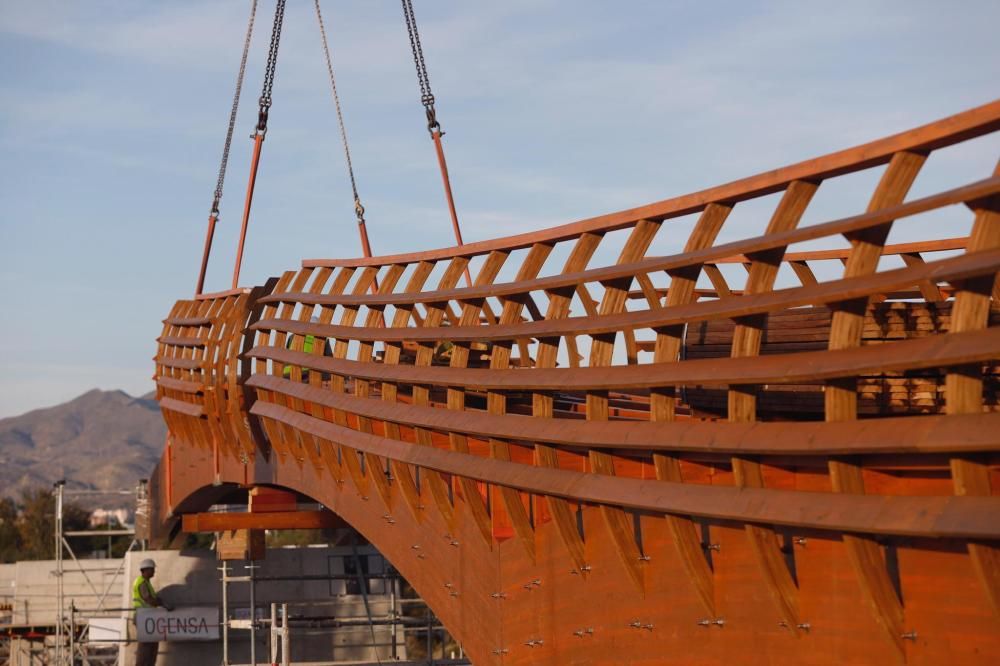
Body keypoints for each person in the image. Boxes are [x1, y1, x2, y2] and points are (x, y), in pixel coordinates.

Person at [132, 558, 173, 666]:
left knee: (152, 646)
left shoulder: (145, 582)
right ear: (146, 570)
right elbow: (149, 599)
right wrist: (162, 604)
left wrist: (159, 601)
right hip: (143, 618)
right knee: (145, 647)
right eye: (152, 569)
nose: (154, 571)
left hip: (147, 617)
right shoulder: (142, 583)